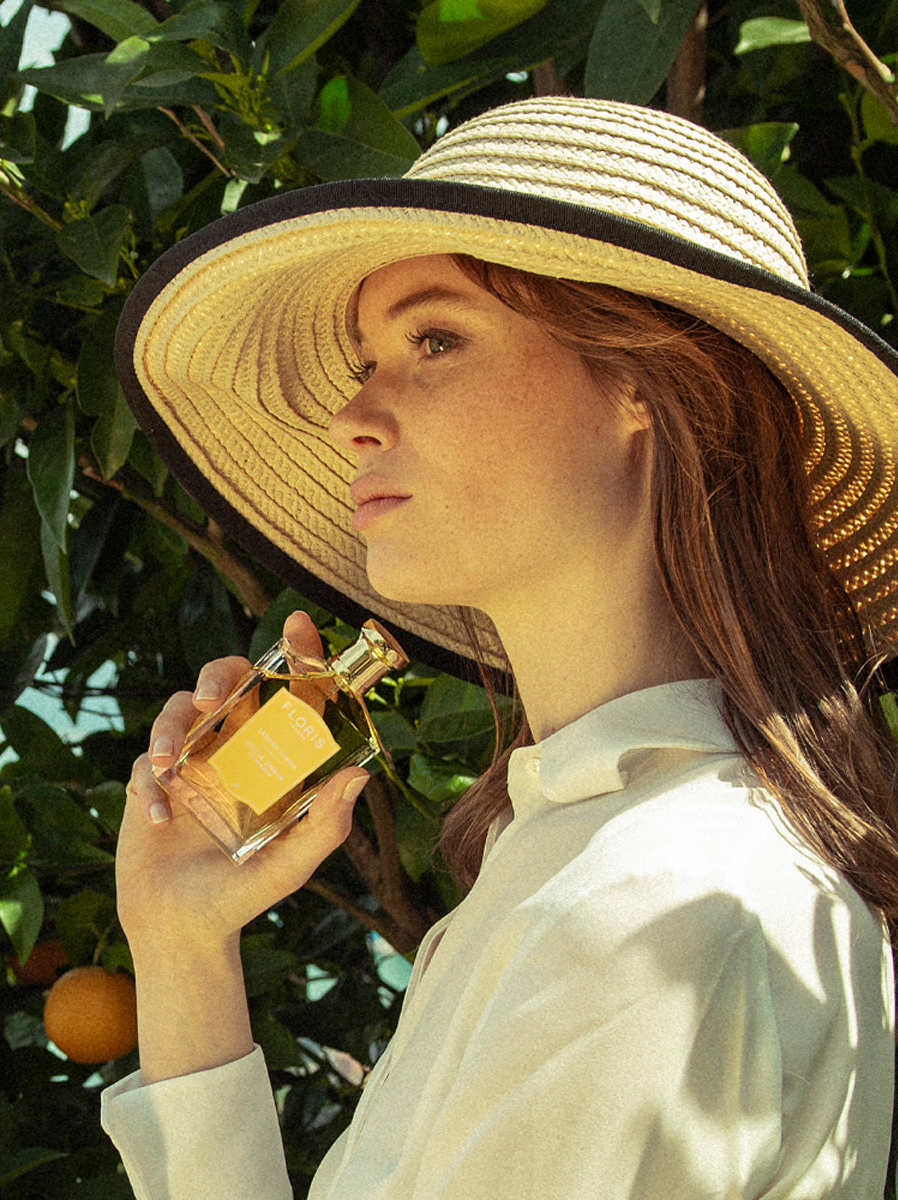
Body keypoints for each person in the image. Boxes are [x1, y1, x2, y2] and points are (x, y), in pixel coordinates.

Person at [100, 96, 898, 1197]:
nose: (352, 417)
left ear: (645, 384)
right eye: (366, 358)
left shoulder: (645, 905)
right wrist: (184, 948)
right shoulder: (591, 863)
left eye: (434, 340)